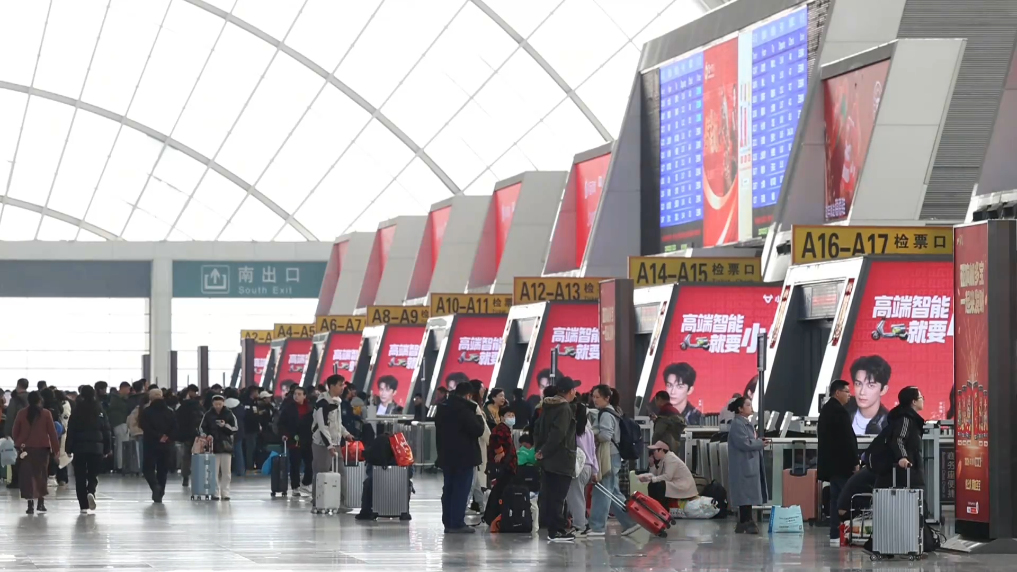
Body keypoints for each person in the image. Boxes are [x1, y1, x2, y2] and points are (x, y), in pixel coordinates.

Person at [589, 384, 639, 538]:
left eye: (597, 397)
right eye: (593, 397)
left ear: (607, 398)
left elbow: (606, 436)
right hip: (613, 456)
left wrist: (591, 435)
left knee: (602, 491)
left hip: (608, 456)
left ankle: (597, 527)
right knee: (613, 492)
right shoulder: (612, 412)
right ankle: (630, 522)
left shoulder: (606, 414)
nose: (594, 400)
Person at [436, 382, 486, 533]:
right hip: (464, 457)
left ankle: (448, 522)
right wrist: (478, 416)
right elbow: (478, 430)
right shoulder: (465, 410)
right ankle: (457, 523)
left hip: (446, 455)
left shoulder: (443, 407)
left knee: (449, 489)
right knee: (461, 489)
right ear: (468, 395)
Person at [818, 379, 859, 544]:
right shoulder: (839, 412)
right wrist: (855, 461)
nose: (849, 395)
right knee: (845, 497)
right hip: (842, 464)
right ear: (837, 392)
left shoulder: (827, 409)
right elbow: (847, 440)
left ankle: (835, 534)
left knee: (835, 498)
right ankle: (846, 533)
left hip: (832, 465)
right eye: (847, 392)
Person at [65, 385, 111, 514]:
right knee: (93, 474)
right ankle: (91, 490)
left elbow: (71, 430)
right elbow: (106, 430)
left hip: (79, 448)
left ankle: (83, 506)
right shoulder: (100, 410)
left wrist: (68, 448)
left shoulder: (77, 410)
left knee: (80, 476)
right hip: (96, 448)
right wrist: (107, 448)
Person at [311, 375, 354, 511]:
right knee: (321, 473)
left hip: (336, 443)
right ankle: (317, 503)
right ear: (331, 386)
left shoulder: (337, 402)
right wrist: (329, 445)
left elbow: (337, 423)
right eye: (340, 385)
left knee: (341, 473)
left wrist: (345, 434)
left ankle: (340, 503)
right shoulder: (322, 403)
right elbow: (322, 427)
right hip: (322, 444)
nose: (343, 388)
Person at [11, 391, 59, 514]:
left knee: (28, 477)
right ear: (40, 400)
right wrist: (56, 450)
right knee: (41, 475)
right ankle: (41, 503)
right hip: (42, 449)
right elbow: (52, 433)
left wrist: (19, 443)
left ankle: (30, 505)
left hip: (26, 449)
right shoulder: (46, 413)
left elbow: (15, 431)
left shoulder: (22, 413)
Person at [874, 386, 927, 491]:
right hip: (905, 472)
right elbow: (898, 439)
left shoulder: (910, 419)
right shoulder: (905, 418)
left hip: (910, 469)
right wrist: (902, 457)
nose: (923, 400)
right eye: (921, 398)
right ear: (914, 402)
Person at [727, 395, 767, 534]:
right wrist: (759, 443)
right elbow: (745, 443)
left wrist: (758, 442)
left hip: (747, 464)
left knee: (747, 495)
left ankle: (745, 521)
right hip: (743, 465)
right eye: (748, 405)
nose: (751, 407)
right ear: (740, 408)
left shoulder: (744, 423)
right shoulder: (738, 424)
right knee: (745, 494)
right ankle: (747, 521)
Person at [138, 388, 177, 503]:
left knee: (148, 468)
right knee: (162, 469)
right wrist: (167, 437)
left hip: (151, 443)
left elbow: (144, 426)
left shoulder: (146, 411)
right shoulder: (170, 411)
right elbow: (175, 427)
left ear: (150, 397)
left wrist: (158, 436)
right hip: (166, 445)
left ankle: (155, 486)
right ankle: (160, 493)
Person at [567, 401, 599, 537]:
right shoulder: (588, 431)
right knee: (580, 496)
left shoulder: (572, 430)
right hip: (587, 467)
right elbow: (593, 451)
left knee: (576, 498)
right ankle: (582, 523)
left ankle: (580, 526)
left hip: (577, 468)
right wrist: (595, 471)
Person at [482, 408, 518, 525]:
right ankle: (493, 516)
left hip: (507, 466)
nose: (511, 417)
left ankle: (492, 515)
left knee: (499, 490)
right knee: (499, 491)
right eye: (509, 415)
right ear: (502, 417)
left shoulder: (506, 429)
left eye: (513, 415)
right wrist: (500, 452)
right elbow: (495, 439)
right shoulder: (501, 428)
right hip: (504, 466)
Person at [638, 441, 698, 510]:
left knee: (660, 487)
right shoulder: (663, 459)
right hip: (674, 483)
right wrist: (652, 465)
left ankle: (663, 509)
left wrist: (652, 479)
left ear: (661, 450)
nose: (653, 453)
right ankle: (654, 508)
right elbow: (657, 474)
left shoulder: (671, 458)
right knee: (652, 485)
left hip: (683, 485)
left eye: (654, 451)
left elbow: (667, 477)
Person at [200, 395, 238, 501]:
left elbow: (235, 428)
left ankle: (225, 492)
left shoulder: (229, 413)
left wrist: (225, 426)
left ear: (223, 403)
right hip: (212, 446)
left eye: (220, 404)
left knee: (226, 472)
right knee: (213, 471)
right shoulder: (208, 415)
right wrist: (206, 435)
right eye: (216, 404)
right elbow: (202, 428)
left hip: (226, 445)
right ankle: (215, 492)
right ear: (212, 404)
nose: (218, 406)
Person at [279, 386, 314, 496]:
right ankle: (295, 486)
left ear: (304, 396)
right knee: (295, 463)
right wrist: (284, 434)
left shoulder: (310, 408)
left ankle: (306, 483)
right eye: (295, 394)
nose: (296, 396)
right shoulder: (288, 408)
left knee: (310, 463)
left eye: (299, 394)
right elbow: (281, 423)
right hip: (294, 439)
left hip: (308, 439)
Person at [844, 355, 891, 435]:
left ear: (883, 390)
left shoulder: (889, 425)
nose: (862, 392)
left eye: (871, 385)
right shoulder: (841, 411)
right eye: (858, 384)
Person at [468, 380, 491, 513]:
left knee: (476, 479)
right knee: (474, 479)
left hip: (476, 447)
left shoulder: (474, 405)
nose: (484, 390)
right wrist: (492, 441)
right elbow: (484, 429)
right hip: (477, 447)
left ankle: (482, 506)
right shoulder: (474, 406)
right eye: (482, 388)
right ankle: (468, 506)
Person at [175, 385, 204, 487]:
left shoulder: (182, 407)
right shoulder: (199, 407)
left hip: (186, 434)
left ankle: (185, 477)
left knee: (186, 457)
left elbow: (177, 419)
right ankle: (198, 477)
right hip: (197, 434)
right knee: (198, 456)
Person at [4, 378, 29, 489]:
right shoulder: (32, 398)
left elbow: (10, 417)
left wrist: (7, 432)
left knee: (16, 456)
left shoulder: (15, 400)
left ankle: (16, 481)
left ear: (18, 385)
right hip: (31, 433)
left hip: (18, 432)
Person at [107, 382, 132, 472]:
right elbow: (125, 408)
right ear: (123, 388)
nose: (129, 392)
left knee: (118, 446)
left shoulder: (113, 398)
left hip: (117, 423)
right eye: (128, 389)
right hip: (121, 423)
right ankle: (121, 466)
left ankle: (119, 465)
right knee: (122, 445)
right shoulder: (118, 400)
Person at [224, 389, 245, 477]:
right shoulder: (240, 405)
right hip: (238, 430)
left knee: (225, 452)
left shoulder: (223, 405)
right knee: (238, 451)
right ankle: (240, 470)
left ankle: (225, 471)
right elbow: (244, 416)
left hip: (225, 430)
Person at [241, 386, 261, 472]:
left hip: (254, 428)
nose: (258, 394)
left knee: (253, 447)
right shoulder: (247, 403)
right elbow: (247, 415)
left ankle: (252, 464)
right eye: (257, 392)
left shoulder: (254, 402)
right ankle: (249, 465)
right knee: (250, 447)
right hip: (249, 429)